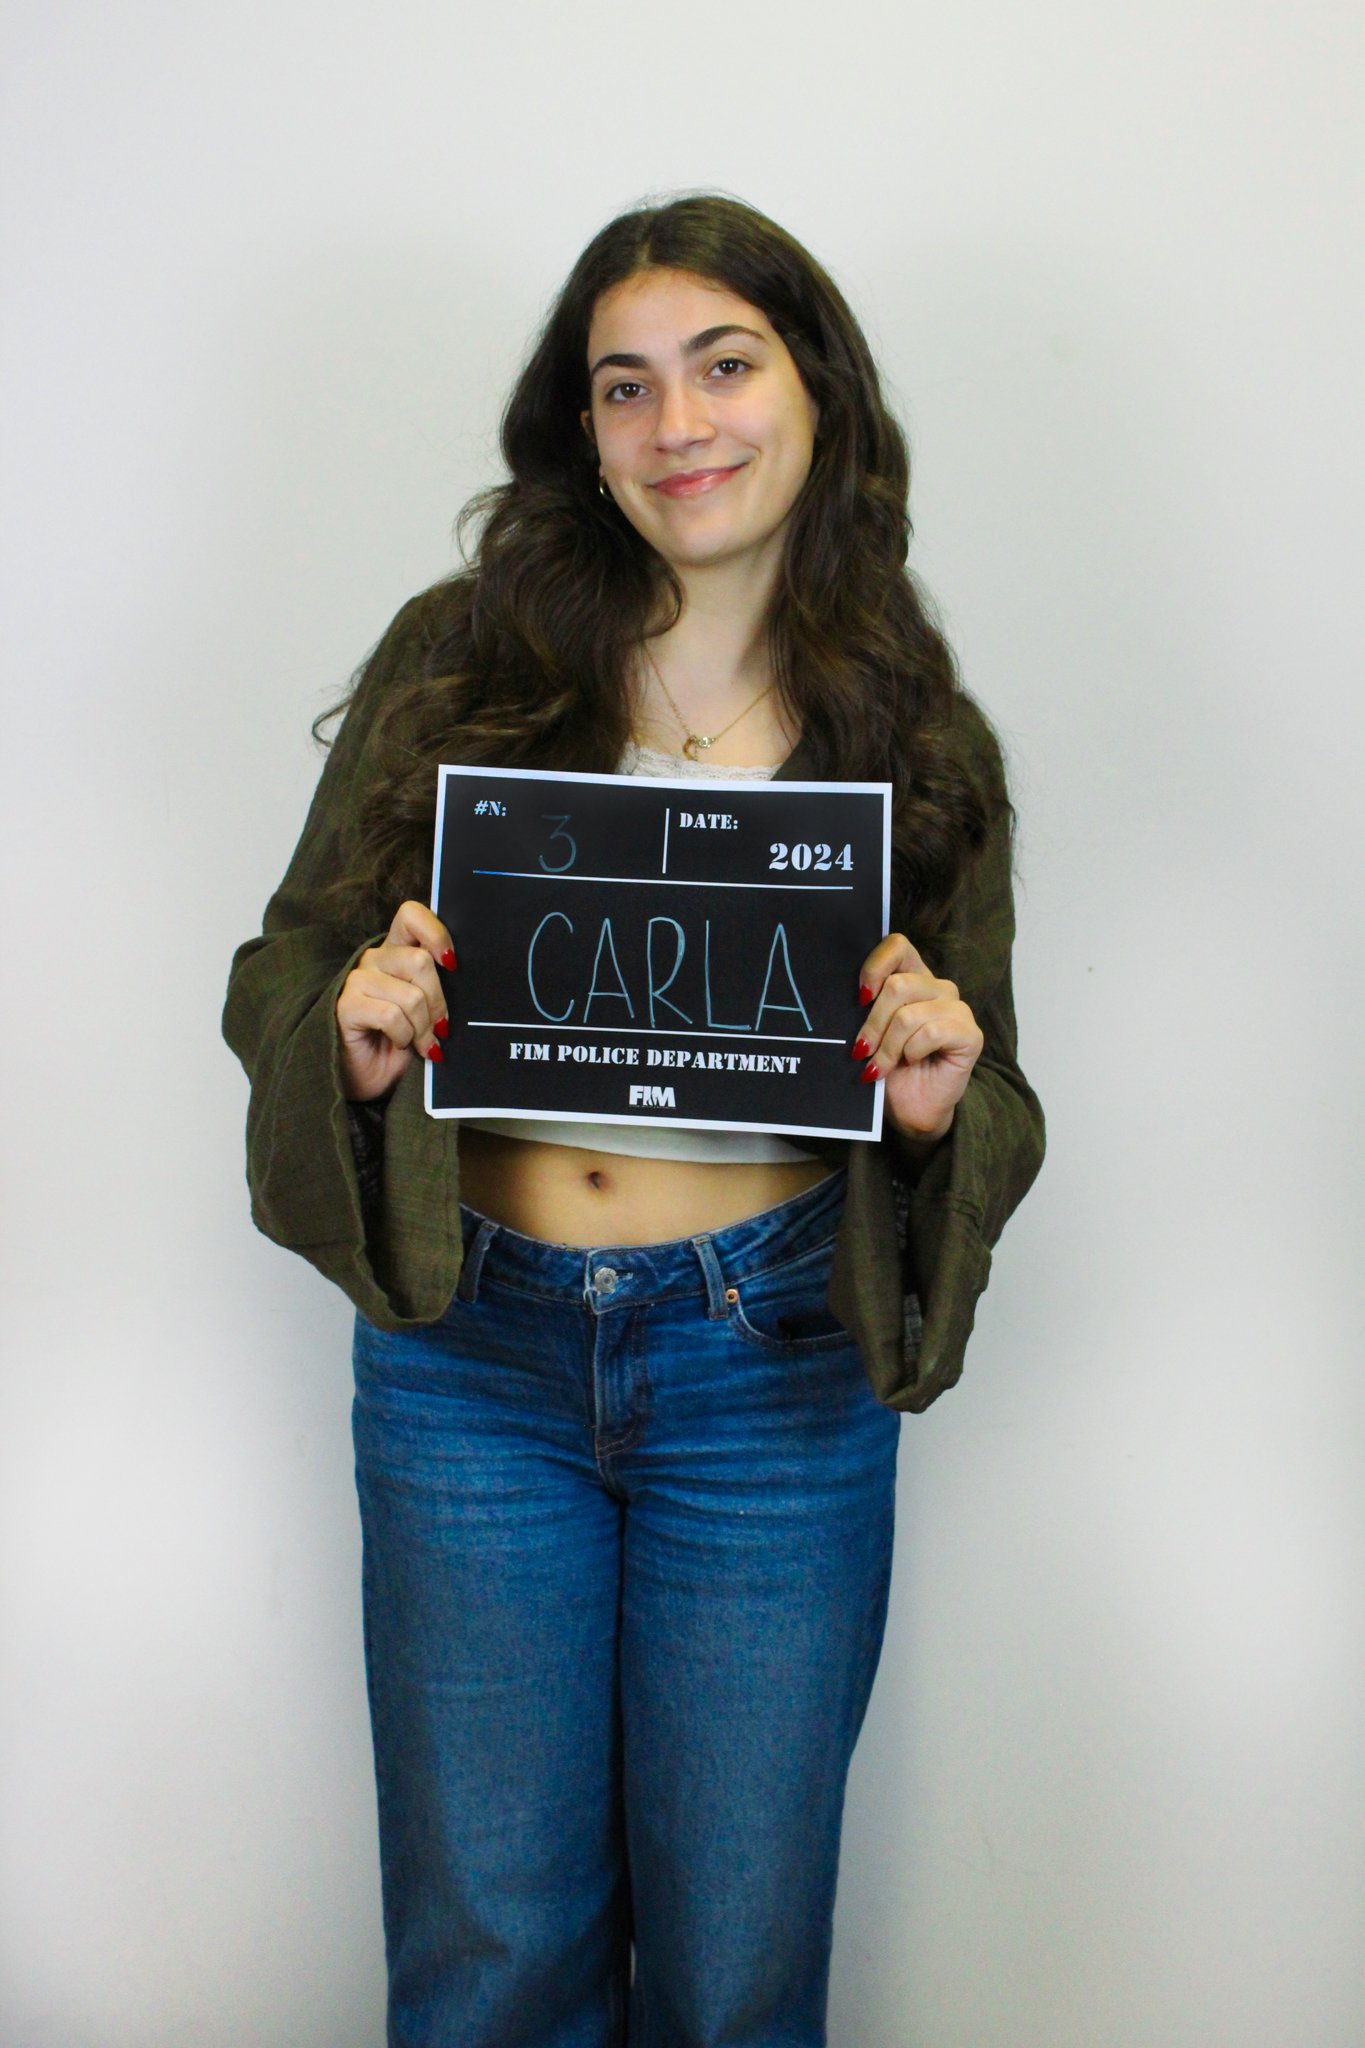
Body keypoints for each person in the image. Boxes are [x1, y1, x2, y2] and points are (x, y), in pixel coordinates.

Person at [223, 193, 1044, 2047]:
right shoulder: (468, 659)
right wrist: (351, 1040)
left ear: (815, 394)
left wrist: (931, 1100)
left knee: (737, 1971)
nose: (678, 424)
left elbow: (992, 1092)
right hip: (470, 1366)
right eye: (624, 386)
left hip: (771, 1370)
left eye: (723, 365)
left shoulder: (906, 730)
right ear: (580, 434)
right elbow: (281, 964)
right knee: (486, 1960)